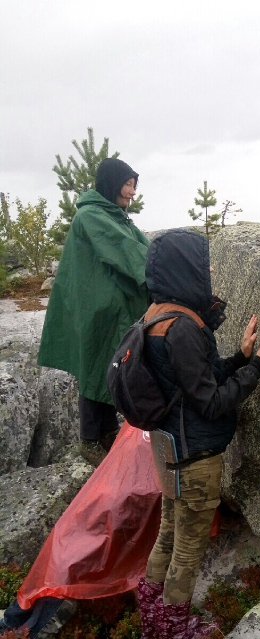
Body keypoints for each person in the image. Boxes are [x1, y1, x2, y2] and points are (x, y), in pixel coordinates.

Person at [136, 229, 260, 639]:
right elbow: (212, 402)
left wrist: (238, 358)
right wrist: (258, 367)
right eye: (204, 263)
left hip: (169, 449)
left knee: (167, 534)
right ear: (185, 267)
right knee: (187, 547)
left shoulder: (157, 316)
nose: (211, 270)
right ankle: (174, 633)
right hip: (195, 457)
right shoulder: (183, 327)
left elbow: (192, 381)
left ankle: (153, 617)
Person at [38, 158, 150, 465]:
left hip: (110, 307)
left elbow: (138, 246)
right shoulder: (91, 216)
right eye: (128, 185)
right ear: (112, 183)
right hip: (95, 309)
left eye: (134, 186)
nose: (132, 192)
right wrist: (162, 271)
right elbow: (125, 250)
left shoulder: (114, 215)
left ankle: (108, 431)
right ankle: (89, 439)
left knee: (110, 365)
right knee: (95, 366)